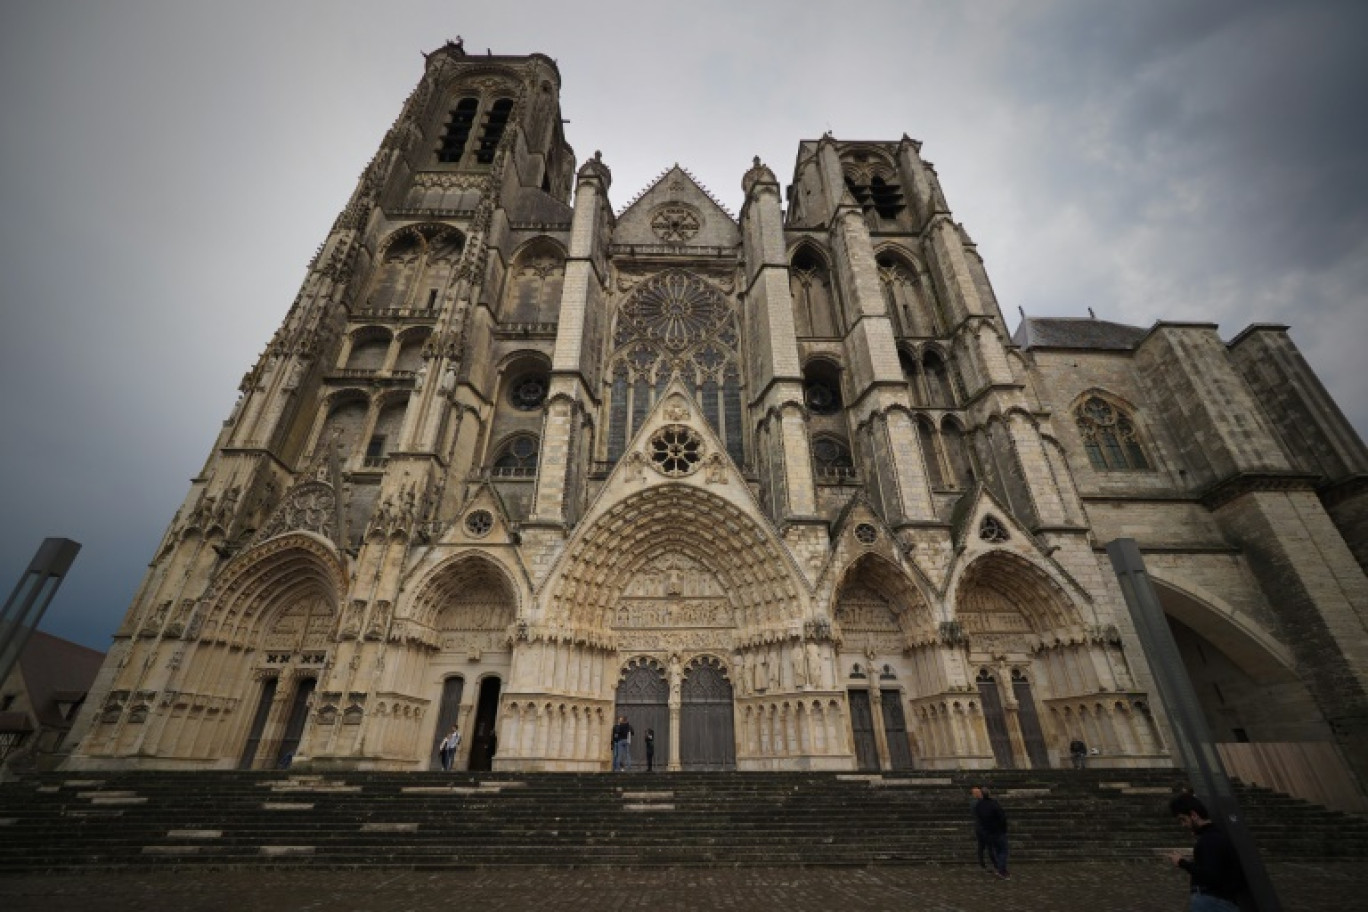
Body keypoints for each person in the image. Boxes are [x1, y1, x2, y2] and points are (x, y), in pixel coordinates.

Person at [1168, 793, 1246, 911]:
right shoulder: (1215, 837)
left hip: (1211, 902)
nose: (1183, 825)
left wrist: (1182, 862)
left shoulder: (1209, 840)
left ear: (1194, 815)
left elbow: (1210, 876)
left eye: (1183, 819)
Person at [973, 786, 1010, 879]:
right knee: (1002, 850)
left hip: (987, 832)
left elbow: (979, 819)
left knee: (996, 850)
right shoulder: (993, 804)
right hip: (997, 831)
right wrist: (1003, 828)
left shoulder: (979, 805)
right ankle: (1001, 870)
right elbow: (1002, 817)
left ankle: (1000, 868)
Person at [970, 786, 993, 872]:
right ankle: (985, 863)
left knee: (983, 846)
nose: (980, 793)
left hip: (981, 826)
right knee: (985, 845)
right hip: (982, 827)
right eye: (978, 792)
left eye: (979, 792)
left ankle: (984, 863)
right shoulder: (976, 803)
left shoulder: (980, 802)